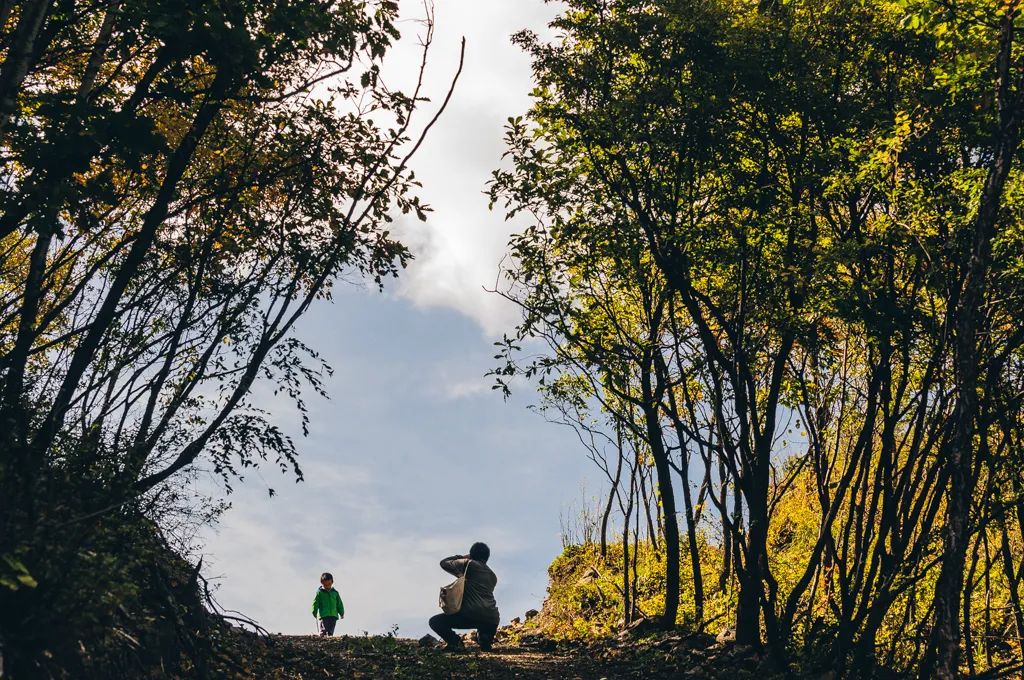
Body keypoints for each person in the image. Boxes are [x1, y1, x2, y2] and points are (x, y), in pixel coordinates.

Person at [429, 542, 500, 651]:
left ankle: (455, 642)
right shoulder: (492, 576)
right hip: (492, 618)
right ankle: (485, 639)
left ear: (471, 554)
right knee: (484, 642)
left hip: (470, 614)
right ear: (487, 557)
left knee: (435, 621)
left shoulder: (468, 564)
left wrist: (462, 557)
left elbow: (444, 563)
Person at [312, 572, 345, 636]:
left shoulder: (335, 593)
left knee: (331, 630)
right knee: (324, 629)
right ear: (322, 583)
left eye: (329, 584)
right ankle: (322, 635)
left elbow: (339, 603)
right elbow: (315, 603)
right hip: (324, 615)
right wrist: (314, 611)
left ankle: (329, 637)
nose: (327, 586)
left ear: (332, 582)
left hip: (333, 615)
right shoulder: (320, 593)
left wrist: (342, 613)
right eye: (325, 585)